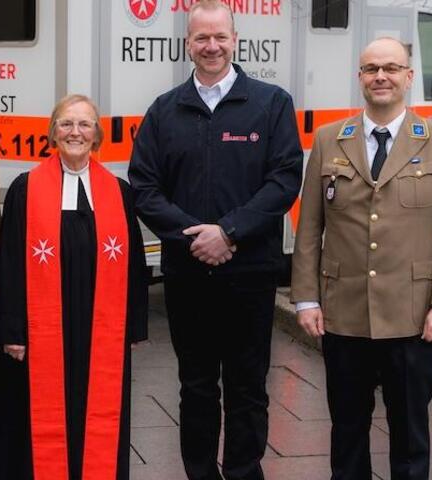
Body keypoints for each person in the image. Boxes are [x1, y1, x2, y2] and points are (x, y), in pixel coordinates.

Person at [128, 1, 303, 478]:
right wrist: (194, 238)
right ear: (188, 44)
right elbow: (144, 187)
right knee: (197, 386)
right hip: (189, 275)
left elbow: (285, 180)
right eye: (201, 38)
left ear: (235, 39)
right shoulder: (165, 111)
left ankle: (245, 471)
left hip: (249, 274)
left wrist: (229, 232)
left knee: (249, 386)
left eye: (219, 37)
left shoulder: (271, 104)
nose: (211, 46)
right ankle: (200, 472)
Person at [290, 38, 432, 480]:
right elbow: (309, 225)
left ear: (409, 76)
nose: (381, 77)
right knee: (347, 431)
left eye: (391, 68)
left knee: (410, 435)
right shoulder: (330, 139)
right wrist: (306, 299)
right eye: (371, 69)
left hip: (413, 318)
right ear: (360, 78)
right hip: (345, 315)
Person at [0, 95, 149, 480]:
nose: (75, 132)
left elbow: (136, 265)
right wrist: (11, 329)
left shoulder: (119, 191)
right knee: (34, 424)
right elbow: (8, 260)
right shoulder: (25, 189)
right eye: (66, 124)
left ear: (97, 136)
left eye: (84, 125)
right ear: (52, 132)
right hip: (40, 331)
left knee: (97, 416)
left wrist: (133, 326)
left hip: (99, 333)